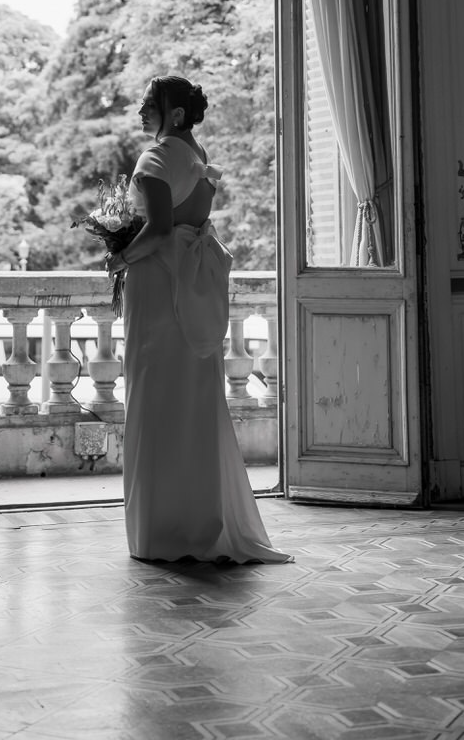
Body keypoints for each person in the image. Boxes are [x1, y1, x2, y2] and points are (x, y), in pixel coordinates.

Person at [109, 74, 292, 564]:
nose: (141, 111)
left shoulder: (156, 158)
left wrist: (121, 257)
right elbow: (187, 221)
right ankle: (199, 520)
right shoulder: (197, 156)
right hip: (191, 286)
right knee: (193, 400)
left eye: (149, 104)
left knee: (154, 398)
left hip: (159, 287)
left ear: (175, 114)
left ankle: (160, 530)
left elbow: (159, 229)